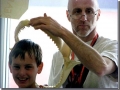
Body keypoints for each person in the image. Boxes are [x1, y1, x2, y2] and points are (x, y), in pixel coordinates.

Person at [29, 0, 118, 88]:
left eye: (89, 11)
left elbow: (101, 68)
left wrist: (61, 31)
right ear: (68, 15)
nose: (83, 18)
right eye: (77, 11)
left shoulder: (113, 47)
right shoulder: (58, 56)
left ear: (98, 14)